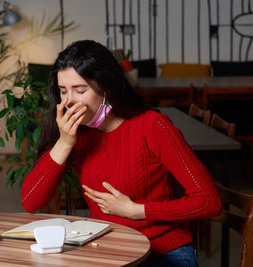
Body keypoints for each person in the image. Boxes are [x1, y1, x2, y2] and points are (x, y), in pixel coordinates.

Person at [20, 40, 221, 266]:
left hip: (163, 254)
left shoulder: (152, 125)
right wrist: (64, 143)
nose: (69, 101)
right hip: (109, 252)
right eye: (63, 91)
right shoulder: (77, 134)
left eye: (80, 90)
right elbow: (30, 200)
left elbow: (209, 201)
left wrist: (137, 211)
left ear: (107, 87)